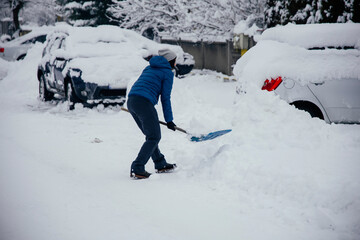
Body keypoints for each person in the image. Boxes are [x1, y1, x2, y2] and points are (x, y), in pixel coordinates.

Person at [127, 49, 178, 179]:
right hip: (144, 102)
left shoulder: (149, 67)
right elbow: (165, 98)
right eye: (175, 60)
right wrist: (169, 120)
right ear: (171, 61)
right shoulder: (167, 73)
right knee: (154, 136)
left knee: (151, 136)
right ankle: (138, 167)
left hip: (132, 101)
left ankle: (160, 163)